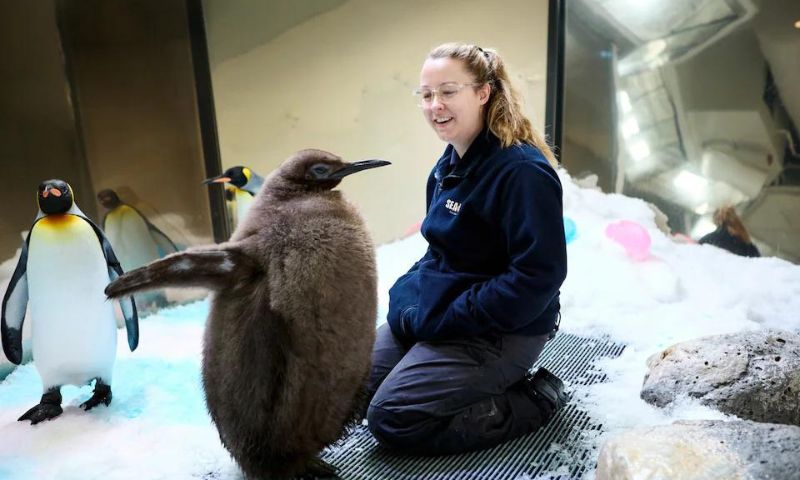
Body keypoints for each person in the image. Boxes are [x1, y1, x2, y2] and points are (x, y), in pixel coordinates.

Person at [364, 43, 569, 456]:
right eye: (426, 95)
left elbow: (537, 278)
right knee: (346, 386)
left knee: (394, 416)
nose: (434, 105)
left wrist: (448, 318)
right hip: (449, 314)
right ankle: (447, 374)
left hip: (504, 328)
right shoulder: (448, 166)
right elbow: (438, 253)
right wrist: (408, 301)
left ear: (483, 93)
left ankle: (532, 400)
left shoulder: (522, 172)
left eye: (448, 91)